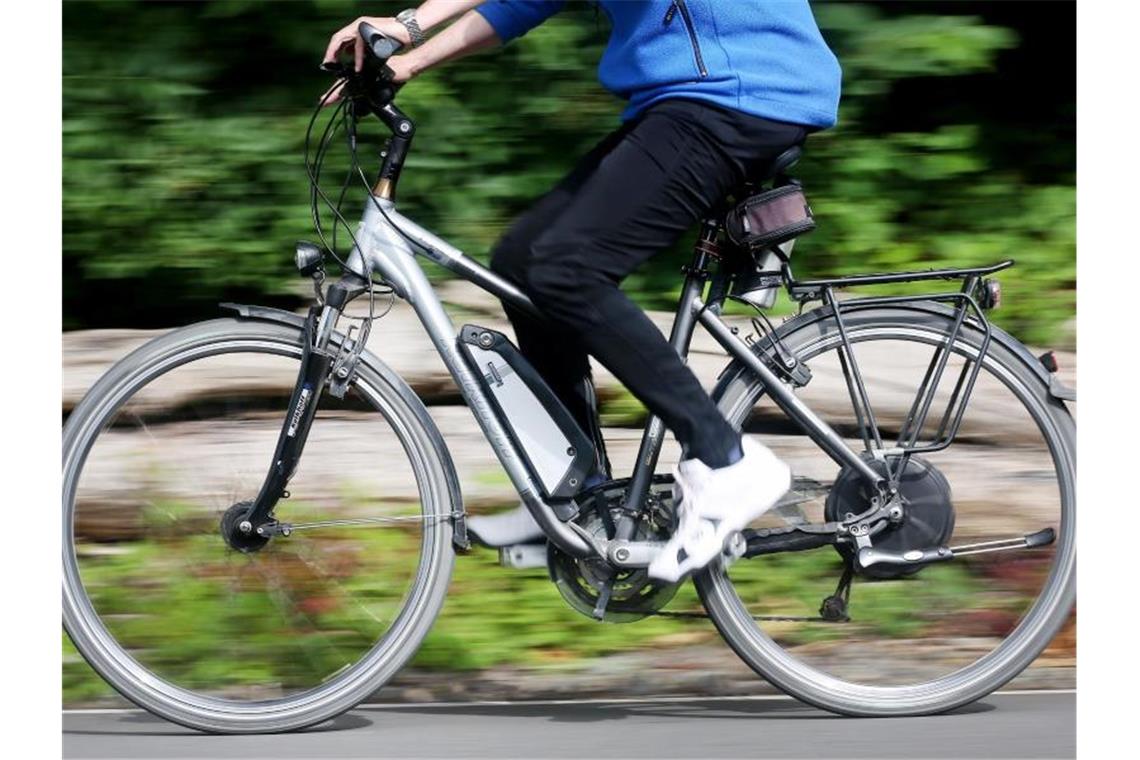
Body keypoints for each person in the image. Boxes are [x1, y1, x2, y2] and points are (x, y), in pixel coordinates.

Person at [323, 0, 841, 582]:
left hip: (744, 92)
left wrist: (411, 22)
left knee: (566, 268)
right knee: (521, 263)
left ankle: (727, 460)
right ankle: (574, 494)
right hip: (690, 102)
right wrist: (408, 65)